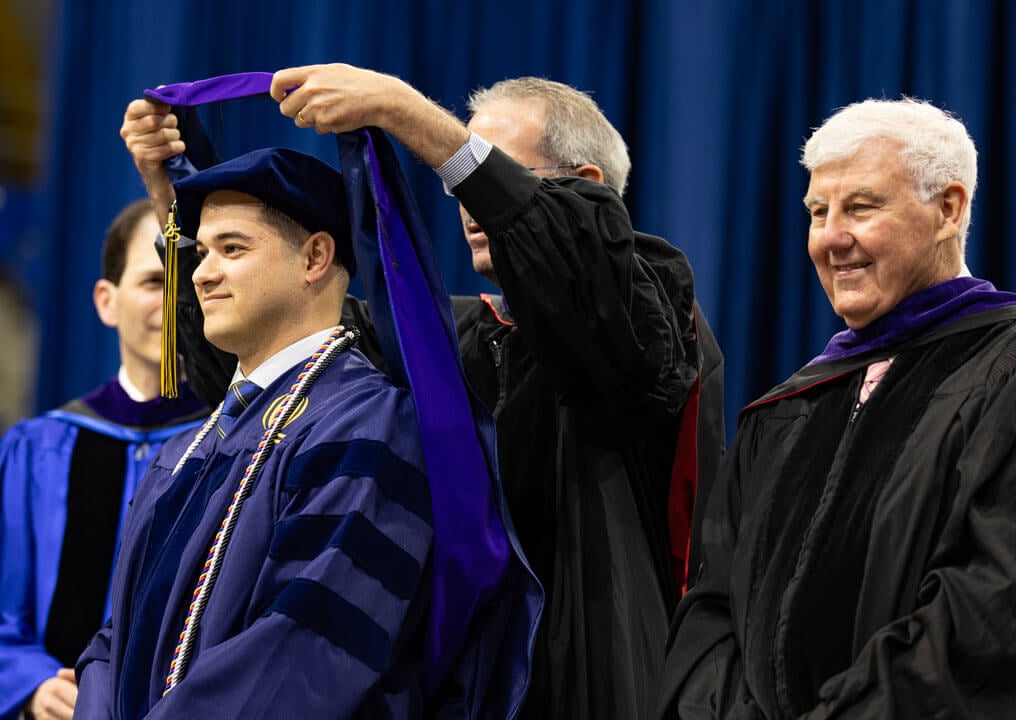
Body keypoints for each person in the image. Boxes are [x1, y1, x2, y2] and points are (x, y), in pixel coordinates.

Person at [269, 64, 725, 719]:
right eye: (459, 181)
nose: (466, 202)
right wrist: (179, 195)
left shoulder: (650, 310)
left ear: (584, 190)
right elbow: (284, 336)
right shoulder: (454, 335)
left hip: (603, 683)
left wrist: (407, 114)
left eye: (484, 170)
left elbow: (577, 272)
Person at [659, 98, 1016, 718]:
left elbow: (988, 609)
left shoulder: (1001, 370)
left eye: (862, 207)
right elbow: (711, 610)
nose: (830, 238)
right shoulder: (789, 405)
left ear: (948, 210)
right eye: (818, 212)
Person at [73, 115, 441, 713]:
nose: (200, 273)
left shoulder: (367, 423)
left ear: (315, 257)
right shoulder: (188, 446)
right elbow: (114, 638)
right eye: (201, 252)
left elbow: (304, 647)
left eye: (233, 249)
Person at [0, 199, 209, 720]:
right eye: (150, 283)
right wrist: (28, 686)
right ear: (106, 301)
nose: (169, 303)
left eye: (182, 284)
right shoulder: (37, 451)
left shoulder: (230, 446)